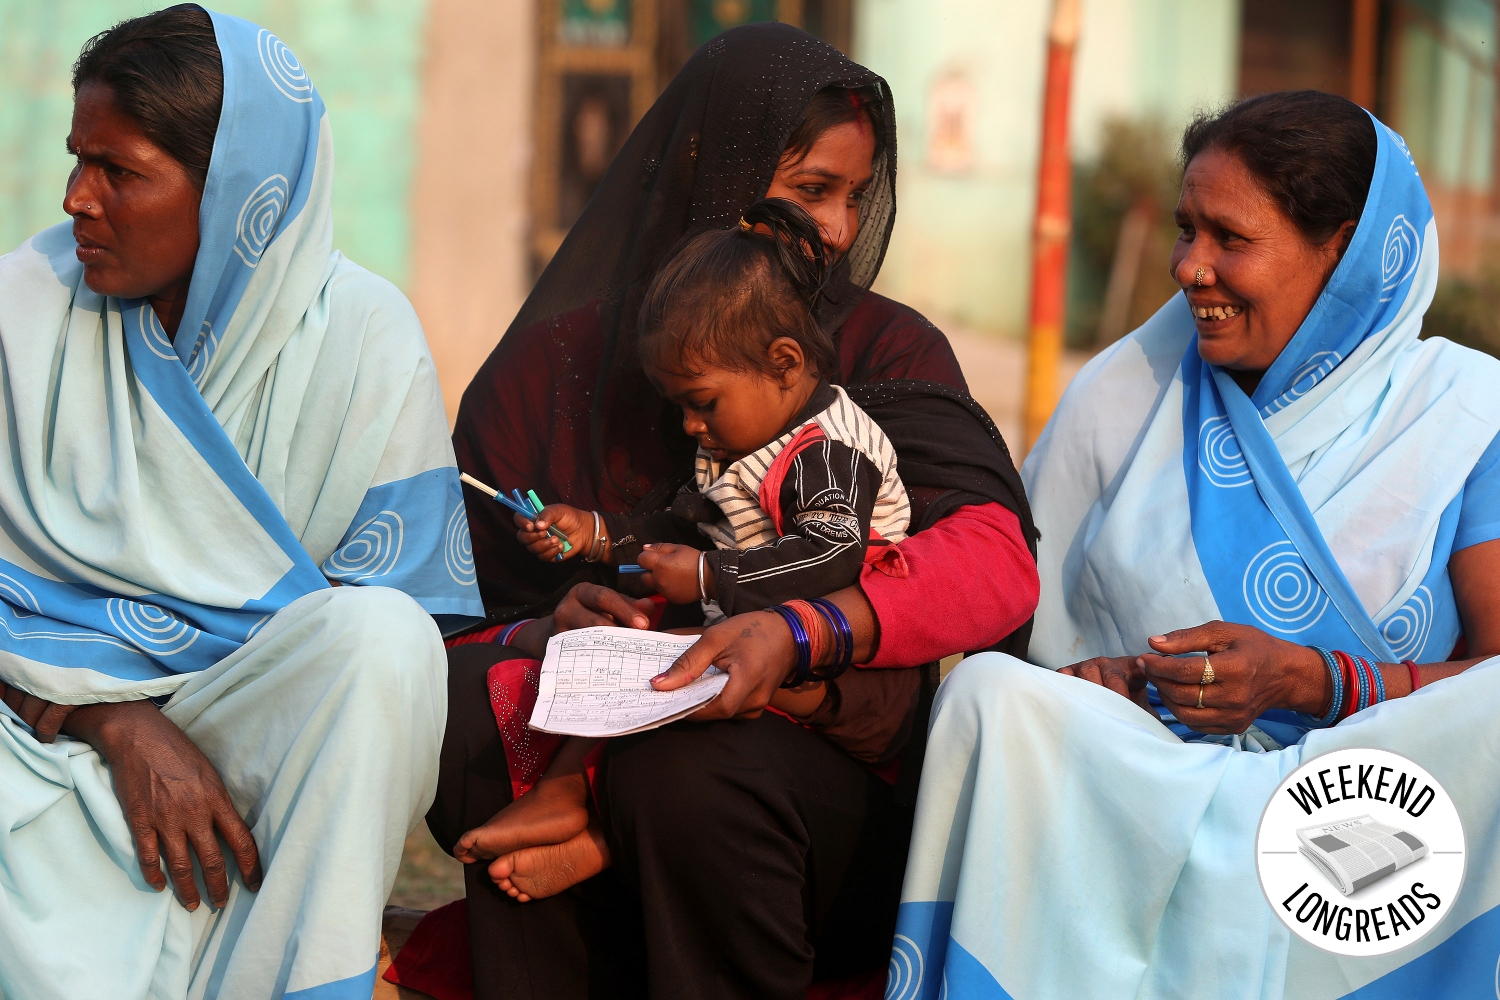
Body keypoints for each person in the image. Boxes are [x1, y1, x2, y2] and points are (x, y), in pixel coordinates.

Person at [424, 22, 1040, 1000]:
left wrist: (789, 645)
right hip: (593, 727)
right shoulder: (548, 375)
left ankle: (601, 812)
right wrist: (550, 624)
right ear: (710, 177)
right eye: (809, 192)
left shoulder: (885, 358)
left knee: (687, 778)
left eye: (855, 195)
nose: (836, 231)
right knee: (467, 696)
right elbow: (448, 614)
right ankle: (587, 825)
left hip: (806, 778)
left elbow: (986, 576)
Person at [892, 91, 1500, 998]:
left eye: (1230, 238)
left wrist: (1314, 680)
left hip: (1351, 834)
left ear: (1343, 252)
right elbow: (1024, 645)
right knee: (986, 696)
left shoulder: (1460, 414)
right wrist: (1100, 681)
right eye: (1186, 230)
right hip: (1133, 795)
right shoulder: (1129, 390)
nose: (1189, 267)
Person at [0, 7, 481, 999]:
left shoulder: (362, 337)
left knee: (383, 640)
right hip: (38, 723)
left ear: (235, 195)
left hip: (254, 743)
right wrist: (117, 724)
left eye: (119, 171)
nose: (75, 198)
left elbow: (380, 653)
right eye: (77, 158)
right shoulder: (25, 311)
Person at [457, 198, 914, 897]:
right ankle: (575, 804)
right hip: (751, 630)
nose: (691, 426)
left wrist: (704, 576)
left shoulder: (828, 451)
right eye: (679, 407)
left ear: (785, 364)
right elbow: (681, 530)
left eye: (702, 401)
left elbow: (830, 558)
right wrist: (598, 534)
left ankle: (588, 817)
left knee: (665, 678)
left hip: (832, 666)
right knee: (627, 644)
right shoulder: (743, 439)